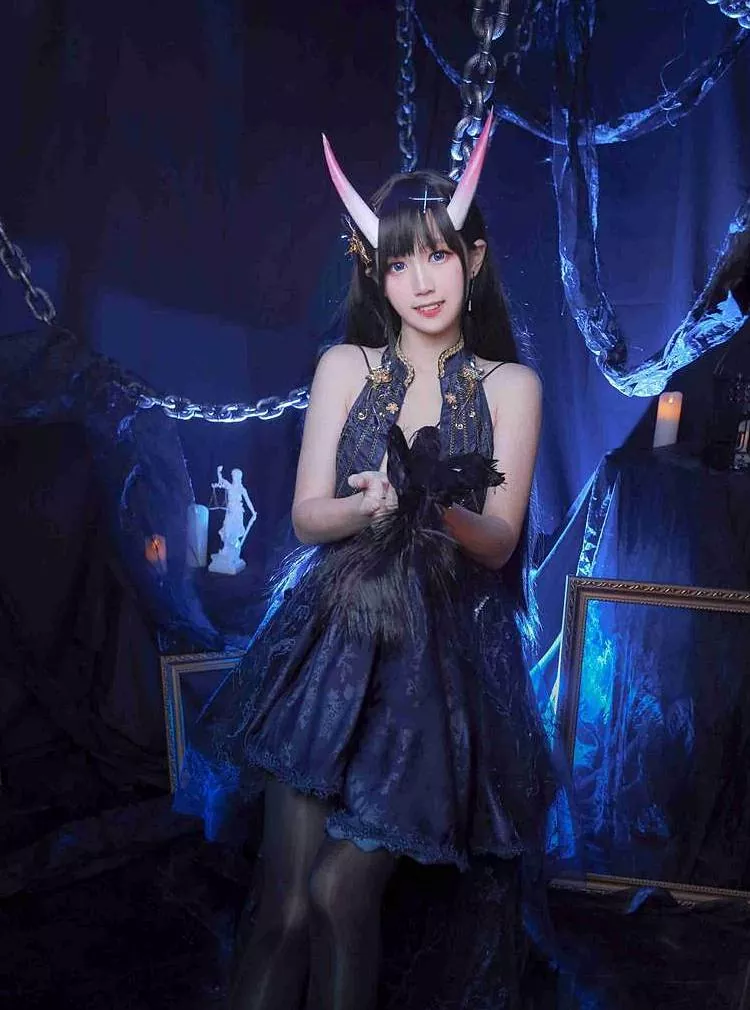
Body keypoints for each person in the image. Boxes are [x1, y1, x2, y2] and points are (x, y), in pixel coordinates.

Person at [176, 117, 560, 1010]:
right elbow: (308, 516)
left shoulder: (511, 387)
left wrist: (436, 503)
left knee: (339, 891)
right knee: (284, 907)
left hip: (440, 669)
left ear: (474, 259)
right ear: (374, 272)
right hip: (335, 648)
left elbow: (500, 538)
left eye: (438, 256)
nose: (421, 281)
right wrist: (368, 506)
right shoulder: (345, 367)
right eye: (398, 263)